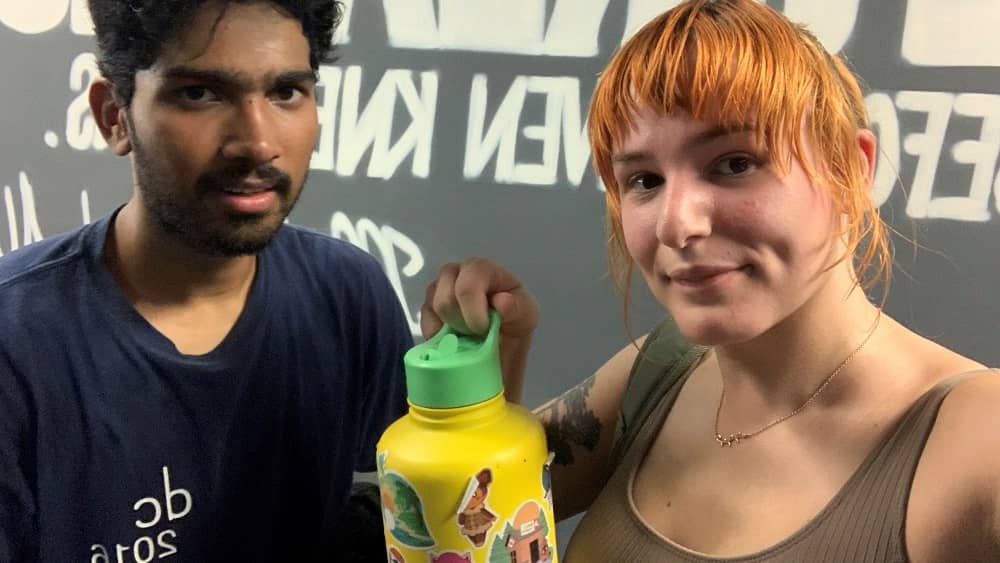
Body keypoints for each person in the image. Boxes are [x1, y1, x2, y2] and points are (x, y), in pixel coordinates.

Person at [422, 0, 1000, 560]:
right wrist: (478, 393)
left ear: (852, 169)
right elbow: (470, 521)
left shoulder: (978, 439)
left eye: (735, 163)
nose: (677, 223)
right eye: (645, 180)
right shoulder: (660, 369)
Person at [0, 1, 412, 561]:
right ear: (114, 115)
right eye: (200, 93)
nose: (257, 141)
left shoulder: (349, 294)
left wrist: (486, 370)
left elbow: (431, 519)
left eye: (286, 91)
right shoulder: (15, 345)